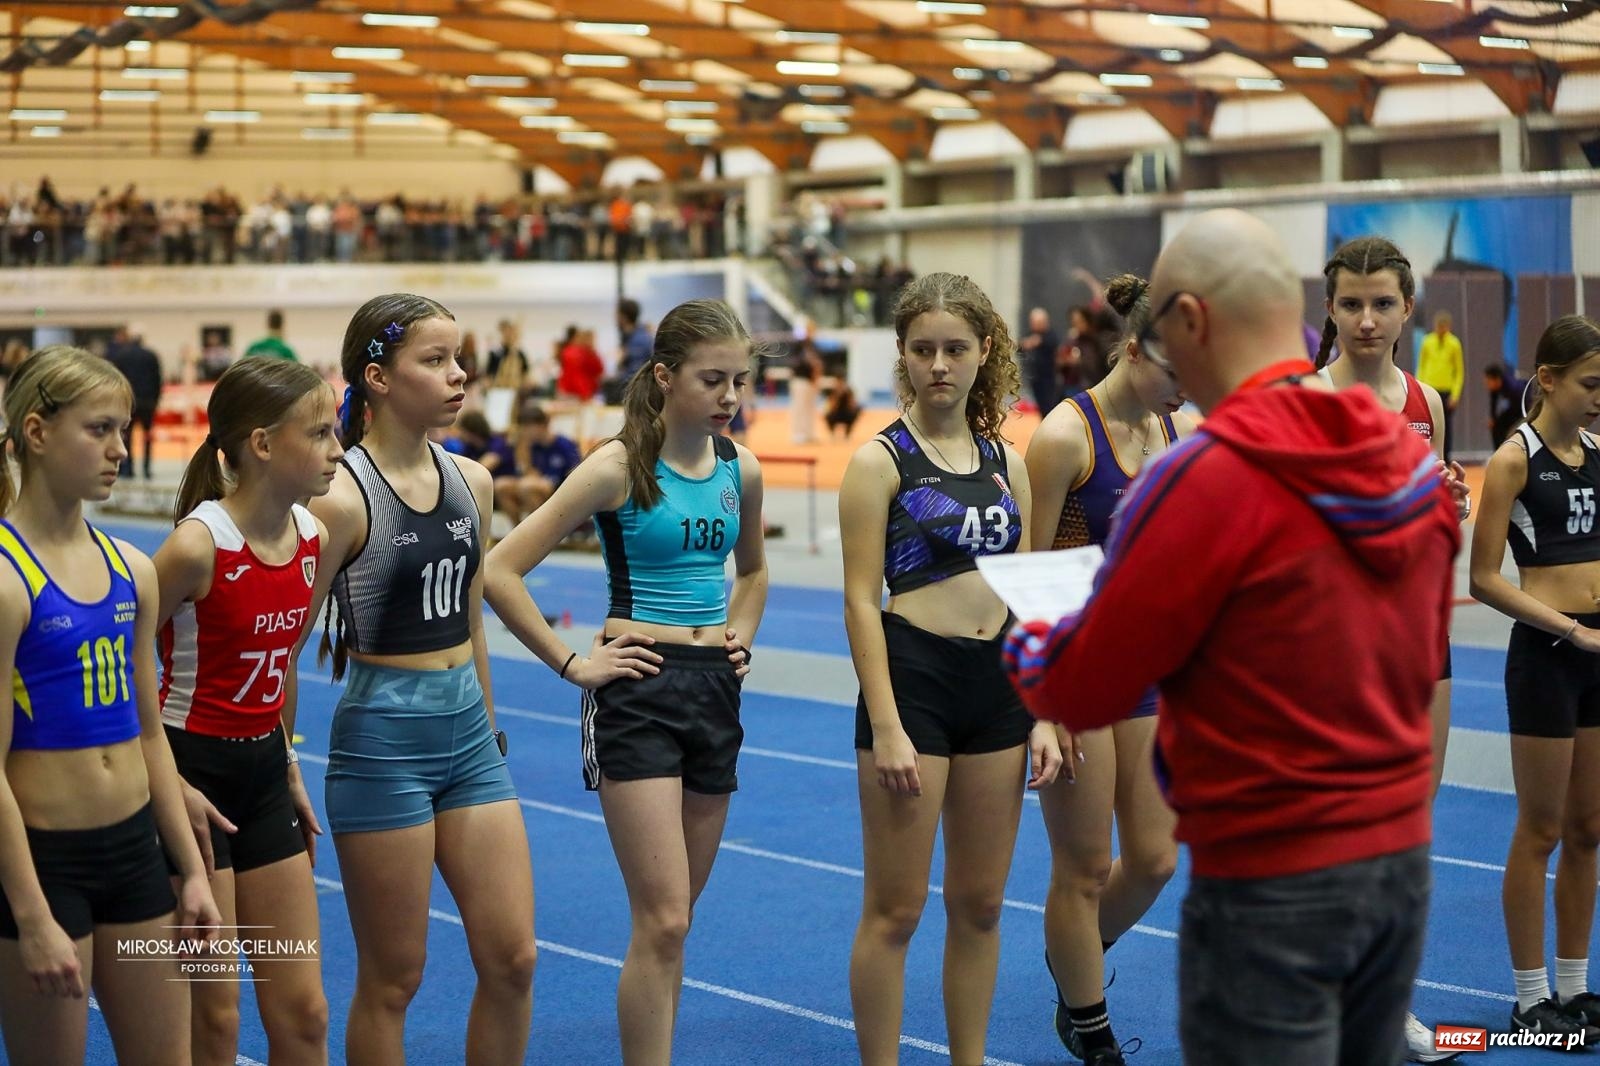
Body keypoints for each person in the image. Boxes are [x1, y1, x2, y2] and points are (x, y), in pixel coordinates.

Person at [1006, 209, 1460, 1066]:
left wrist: (1029, 643)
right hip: (1397, 859)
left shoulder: (1198, 475)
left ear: (1189, 323)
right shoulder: (1402, 457)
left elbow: (1082, 686)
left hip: (1272, 875)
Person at [484, 298, 766, 1065]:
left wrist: (740, 633)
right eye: (714, 380)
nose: (730, 397)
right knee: (664, 919)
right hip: (638, 690)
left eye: (740, 381)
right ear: (666, 376)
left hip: (715, 689)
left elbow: (753, 571)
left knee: (675, 923)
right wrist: (574, 662)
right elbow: (500, 570)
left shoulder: (741, 467)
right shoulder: (618, 467)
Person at [292, 294, 535, 1066]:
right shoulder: (339, 498)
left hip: (466, 738)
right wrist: (276, 760)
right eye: (435, 361)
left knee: (515, 959)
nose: (459, 375)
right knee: (395, 978)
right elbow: (285, 642)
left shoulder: (474, 482)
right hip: (382, 745)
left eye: (459, 359)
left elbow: (469, 621)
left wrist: (488, 727)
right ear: (378, 378)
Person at [840, 272, 1061, 1066]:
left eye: (955, 349)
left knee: (980, 905)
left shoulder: (1008, 459)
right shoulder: (879, 462)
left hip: (997, 683)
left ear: (984, 353)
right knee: (896, 910)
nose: (940, 364)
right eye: (924, 349)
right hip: (914, 682)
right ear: (903, 354)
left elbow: (1032, 594)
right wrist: (889, 725)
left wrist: (1041, 711)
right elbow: (862, 601)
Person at [0, 345, 219, 1065]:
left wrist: (189, 871)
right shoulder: (7, 583)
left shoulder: (131, 569)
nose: (120, 450)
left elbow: (150, 736)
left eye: (124, 429)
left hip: (132, 852)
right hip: (43, 863)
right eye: (99, 430)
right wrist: (31, 915)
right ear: (37, 433)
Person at [1024, 274, 1194, 1065]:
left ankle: (1072, 959)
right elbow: (1026, 572)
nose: (1184, 387)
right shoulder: (1066, 436)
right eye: (1174, 370)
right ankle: (1091, 1029)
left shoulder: (1174, 427)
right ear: (1133, 350)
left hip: (1148, 668)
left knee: (1157, 857)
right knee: (1085, 864)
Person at [153, 357, 338, 1065]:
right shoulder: (198, 546)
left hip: (261, 775)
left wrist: (287, 757)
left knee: (306, 1012)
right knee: (217, 1017)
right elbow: (126, 667)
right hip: (190, 776)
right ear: (262, 444)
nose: (336, 450)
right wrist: (165, 780)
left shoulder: (311, 538)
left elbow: (283, 665)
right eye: (319, 434)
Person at [1315, 236, 1472, 1062]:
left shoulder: (1426, 402)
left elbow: (1435, 512)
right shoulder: (1302, 400)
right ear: (1330, 309)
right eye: (1350, 304)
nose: (1366, 320)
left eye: (1382, 304)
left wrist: (1449, 501)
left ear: (1408, 309)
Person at [1468, 315, 1600, 1047]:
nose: (1599, 398)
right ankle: (1529, 999)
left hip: (1597, 655)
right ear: (1547, 380)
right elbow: (1482, 577)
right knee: (1542, 828)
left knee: (1590, 829)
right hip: (1548, 655)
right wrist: (1569, 628)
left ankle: (1577, 989)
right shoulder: (1514, 459)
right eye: (1589, 384)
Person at [501, 403, 581, 524]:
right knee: (501, 486)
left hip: (561, 489)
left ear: (542, 425)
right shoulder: (531, 445)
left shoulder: (564, 445)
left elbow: (577, 473)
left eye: (528, 427)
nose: (524, 432)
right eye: (522, 427)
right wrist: (522, 448)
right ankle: (518, 531)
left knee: (526, 486)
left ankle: (540, 533)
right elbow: (526, 472)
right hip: (536, 484)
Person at [105, 324, 163, 481]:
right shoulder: (151, 356)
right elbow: (158, 380)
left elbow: (116, 381)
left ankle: (128, 468)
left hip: (129, 403)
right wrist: (155, 400)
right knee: (147, 437)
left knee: (127, 437)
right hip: (148, 403)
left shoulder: (121, 356)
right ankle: (146, 468)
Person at [1417, 311, 1465, 459]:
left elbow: (1459, 371)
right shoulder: (1427, 341)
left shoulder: (1454, 343)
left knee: (1445, 427)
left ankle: (1445, 458)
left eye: (1444, 327)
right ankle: (1426, 457)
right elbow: (1421, 366)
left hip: (1446, 391)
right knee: (1426, 424)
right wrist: (1419, 388)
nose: (1441, 330)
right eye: (1439, 327)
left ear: (1449, 327)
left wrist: (1456, 394)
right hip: (1429, 389)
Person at [1020, 307, 1062, 415]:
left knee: (1049, 404)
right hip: (1034, 377)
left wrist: (1039, 342)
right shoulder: (1029, 334)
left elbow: (1054, 345)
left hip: (1048, 378)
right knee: (1039, 405)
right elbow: (1020, 347)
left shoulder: (1050, 335)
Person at [557, 327, 605, 403]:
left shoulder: (587, 353)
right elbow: (577, 377)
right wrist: (585, 394)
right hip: (573, 393)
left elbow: (599, 370)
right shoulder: (574, 353)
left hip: (581, 392)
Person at [1484, 362, 1526, 447]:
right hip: (1514, 408)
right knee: (1496, 425)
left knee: (1510, 428)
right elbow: (1493, 403)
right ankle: (1497, 453)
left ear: (1496, 379)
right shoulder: (1495, 387)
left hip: (1522, 408)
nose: (1485, 383)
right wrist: (1493, 418)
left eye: (1488, 380)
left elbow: (1522, 406)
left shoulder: (1512, 387)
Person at [485, 319, 528, 392]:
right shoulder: (495, 353)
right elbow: (488, 374)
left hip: (515, 390)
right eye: (505, 332)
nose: (508, 335)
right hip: (498, 389)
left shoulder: (519, 354)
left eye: (510, 332)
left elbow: (525, 372)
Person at [617, 298, 654, 383]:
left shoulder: (639, 340)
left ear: (623, 317)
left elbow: (634, 375)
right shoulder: (631, 336)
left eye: (617, 314)